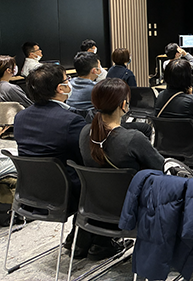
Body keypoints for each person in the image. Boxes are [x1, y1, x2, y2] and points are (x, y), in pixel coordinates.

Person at [13, 64, 120, 259]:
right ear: (60, 89)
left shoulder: (20, 117)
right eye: (67, 80)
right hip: (65, 194)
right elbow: (89, 156)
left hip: (30, 192)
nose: (70, 83)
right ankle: (100, 242)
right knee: (106, 178)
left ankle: (79, 237)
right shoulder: (70, 121)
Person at [79, 78, 163, 171]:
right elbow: (160, 166)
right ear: (123, 105)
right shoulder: (134, 139)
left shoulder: (85, 132)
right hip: (133, 181)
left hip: (95, 181)